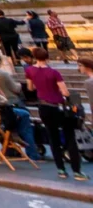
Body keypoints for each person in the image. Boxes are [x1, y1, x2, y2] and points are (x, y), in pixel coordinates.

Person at [25, 47, 86, 180]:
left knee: (53, 138)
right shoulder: (54, 72)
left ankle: (61, 170)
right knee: (70, 137)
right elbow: (64, 92)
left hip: (44, 107)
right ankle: (77, 171)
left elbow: (30, 88)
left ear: (35, 57)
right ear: (47, 58)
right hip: (58, 106)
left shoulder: (29, 70)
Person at [78, 58, 93, 127]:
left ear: (88, 67)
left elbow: (92, 100)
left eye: (80, 65)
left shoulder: (89, 82)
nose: (78, 68)